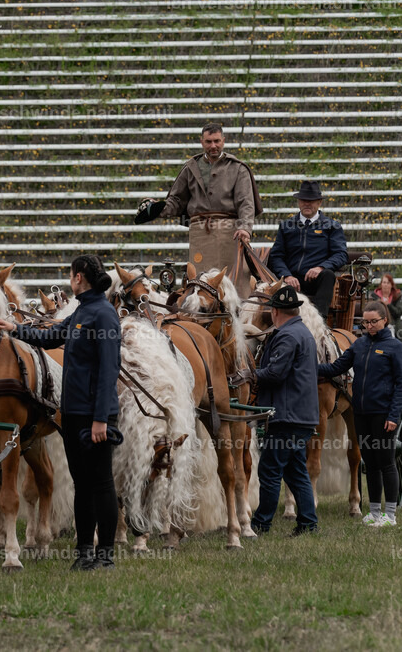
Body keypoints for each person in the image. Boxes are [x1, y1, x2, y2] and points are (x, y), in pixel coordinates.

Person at [0, 255, 121, 570]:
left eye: (70, 276)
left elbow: (109, 370)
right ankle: (83, 554)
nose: (69, 280)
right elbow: (50, 336)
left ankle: (104, 554)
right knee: (82, 483)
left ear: (79, 278)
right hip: (74, 414)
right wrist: (14, 328)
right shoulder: (81, 312)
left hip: (96, 417)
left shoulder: (104, 315)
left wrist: (101, 418)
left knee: (101, 482)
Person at [134, 122, 262, 298]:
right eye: (208, 141)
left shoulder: (237, 168)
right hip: (199, 233)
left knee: (232, 284)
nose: (213, 146)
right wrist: (157, 209)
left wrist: (245, 228)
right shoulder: (190, 167)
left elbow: (246, 202)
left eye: (217, 141)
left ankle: (237, 318)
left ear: (224, 140)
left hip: (229, 233)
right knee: (200, 282)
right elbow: (177, 201)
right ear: (201, 142)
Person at [318, 301, 402, 527]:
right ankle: (375, 512)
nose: (369, 325)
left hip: (383, 414)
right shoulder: (359, 345)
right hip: (362, 414)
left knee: (386, 462)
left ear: (384, 320)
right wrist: (309, 365)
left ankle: (390, 514)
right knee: (370, 462)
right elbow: (335, 368)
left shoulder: (394, 347)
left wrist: (393, 416)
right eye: (365, 322)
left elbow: (401, 384)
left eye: (373, 321)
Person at [245, 286, 320, 536]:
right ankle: (308, 522)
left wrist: (249, 374)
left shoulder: (288, 335)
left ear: (275, 311)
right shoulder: (302, 332)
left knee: (269, 470)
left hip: (287, 416)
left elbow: (276, 373)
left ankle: (261, 523)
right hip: (299, 416)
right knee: (295, 471)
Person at [267, 180, 349, 319]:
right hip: (291, 280)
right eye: (304, 200)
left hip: (316, 282)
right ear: (299, 202)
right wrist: (287, 275)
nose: (307, 204)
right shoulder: (287, 226)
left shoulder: (332, 226)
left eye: (311, 201)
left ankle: (319, 319)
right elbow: (276, 256)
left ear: (319, 203)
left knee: (328, 275)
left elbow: (341, 254)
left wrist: (321, 267)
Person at [374, 273, 402, 341]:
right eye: (384, 282)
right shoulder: (374, 297)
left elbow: (399, 313)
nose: (385, 285)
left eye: (388, 283)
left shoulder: (397, 297)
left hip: (394, 324)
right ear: (381, 284)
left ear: (391, 285)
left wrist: (388, 305)